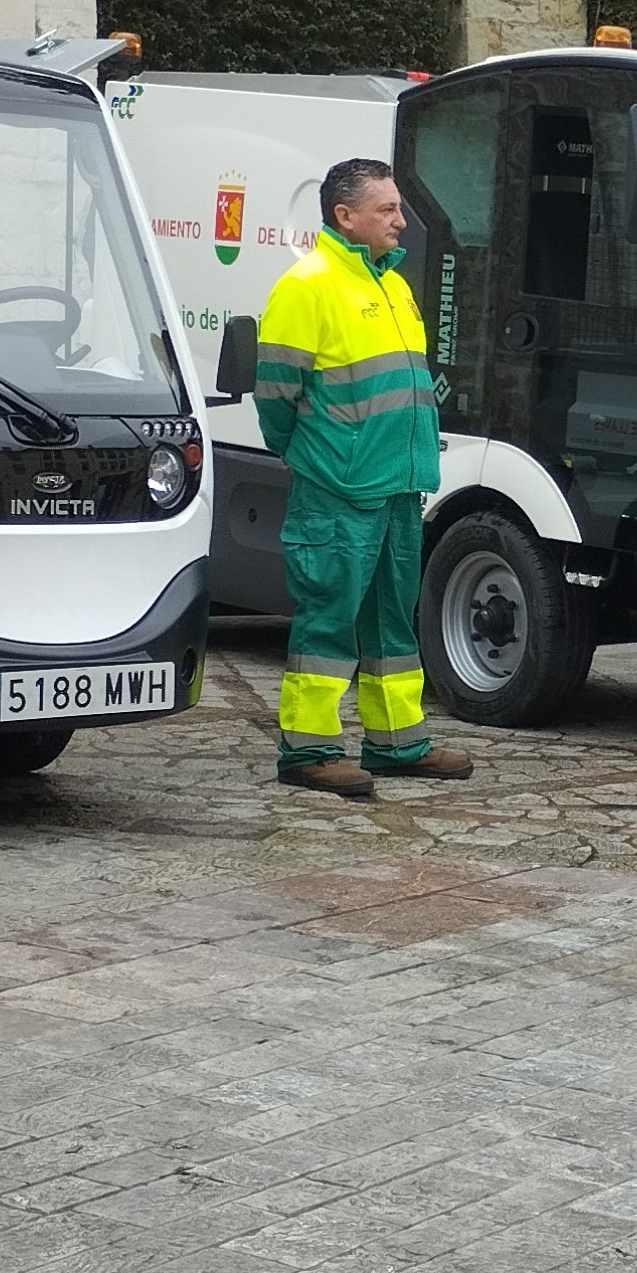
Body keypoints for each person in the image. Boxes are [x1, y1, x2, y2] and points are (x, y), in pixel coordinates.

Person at [253, 159, 472, 798]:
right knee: (329, 618)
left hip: (398, 487)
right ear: (345, 217)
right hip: (339, 489)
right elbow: (276, 399)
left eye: (399, 208)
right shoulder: (308, 286)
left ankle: (398, 744)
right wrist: (318, 456)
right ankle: (308, 752)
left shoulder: (392, 286)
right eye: (388, 210)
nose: (401, 221)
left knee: (392, 623)